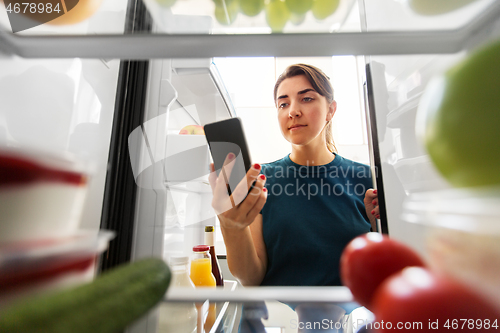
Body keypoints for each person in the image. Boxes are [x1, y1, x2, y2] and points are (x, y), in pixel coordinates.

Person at [209, 64, 379, 287]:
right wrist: (231, 225)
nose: (293, 111)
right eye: (283, 104)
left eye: (306, 99)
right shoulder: (261, 181)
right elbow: (250, 278)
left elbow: (383, 268)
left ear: (331, 110)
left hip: (352, 318)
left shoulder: (367, 178)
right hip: (280, 318)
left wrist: (378, 229)